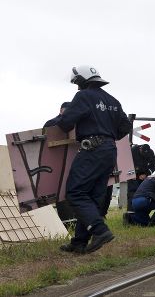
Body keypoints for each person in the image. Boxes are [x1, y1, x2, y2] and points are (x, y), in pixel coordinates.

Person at [56, 65, 131, 254]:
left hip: (92, 150)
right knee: (93, 197)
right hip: (109, 150)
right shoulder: (113, 100)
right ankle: (79, 242)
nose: (76, 87)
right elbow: (125, 127)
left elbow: (66, 123)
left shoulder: (83, 96)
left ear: (82, 80)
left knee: (75, 192)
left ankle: (100, 231)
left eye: (77, 82)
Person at [44, 102, 76, 223]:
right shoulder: (52, 123)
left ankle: (71, 219)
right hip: (58, 160)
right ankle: (67, 220)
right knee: (61, 191)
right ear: (62, 110)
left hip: (67, 159)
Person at [127, 144, 155, 211]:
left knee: (142, 195)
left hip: (143, 177)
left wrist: (146, 174)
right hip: (133, 177)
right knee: (132, 194)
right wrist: (132, 174)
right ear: (140, 148)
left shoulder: (151, 153)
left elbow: (154, 165)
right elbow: (126, 164)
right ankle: (131, 214)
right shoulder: (133, 151)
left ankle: (140, 213)